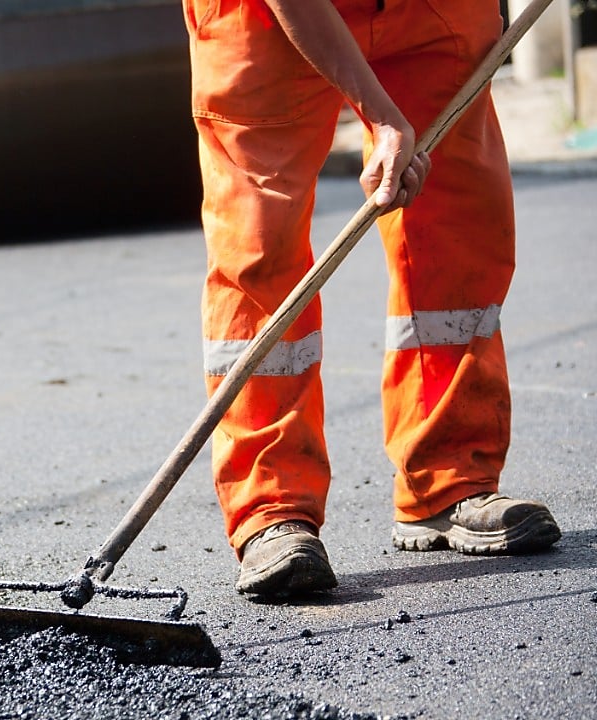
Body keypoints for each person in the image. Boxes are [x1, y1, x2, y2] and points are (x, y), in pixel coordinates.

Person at [182, 0, 561, 598]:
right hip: (262, 17)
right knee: (259, 244)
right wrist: (382, 117)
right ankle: (272, 506)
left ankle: (450, 477)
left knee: (458, 225)